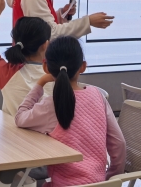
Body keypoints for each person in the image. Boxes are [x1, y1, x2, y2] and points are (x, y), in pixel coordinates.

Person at [15, 36, 126, 186]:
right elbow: (119, 144)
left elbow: (20, 117)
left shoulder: (51, 105)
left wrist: (40, 83)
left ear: (46, 67)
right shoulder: (98, 96)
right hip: (98, 183)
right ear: (83, 66)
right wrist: (110, 179)